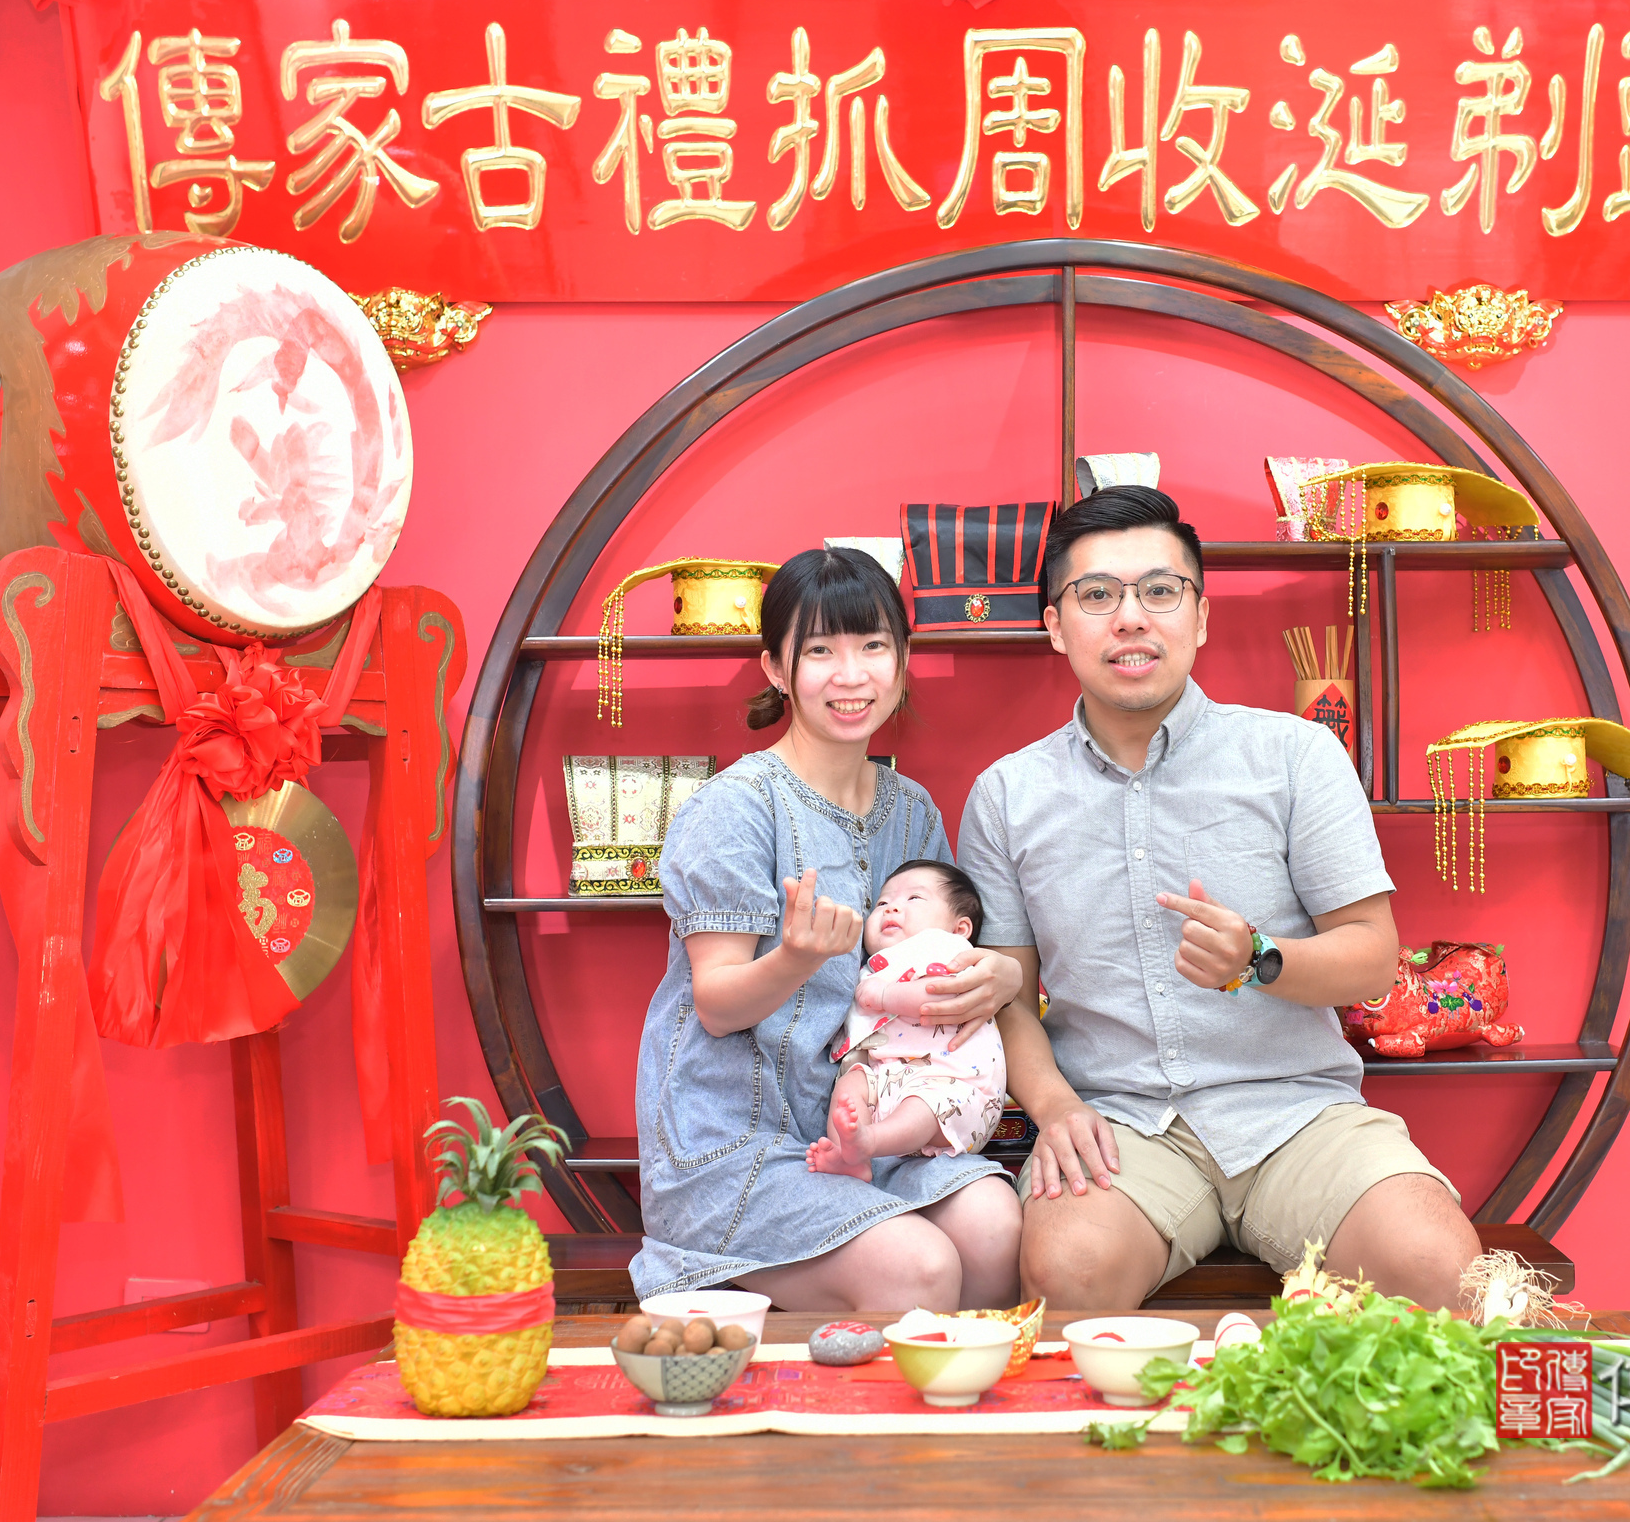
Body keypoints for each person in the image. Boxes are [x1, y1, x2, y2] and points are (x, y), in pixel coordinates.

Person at [956, 486, 1483, 1310]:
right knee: (1068, 1270)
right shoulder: (1006, 795)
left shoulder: (1297, 755)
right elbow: (1008, 997)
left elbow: (1372, 956)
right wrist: (1055, 1109)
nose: (1131, 618)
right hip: (1120, 1124)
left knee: (1440, 1265)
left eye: (1160, 591)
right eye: (1097, 596)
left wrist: (1258, 959)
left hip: (1298, 1112)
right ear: (1056, 626)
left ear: (1200, 616)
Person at [632, 547, 1024, 1310]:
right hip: (734, 1144)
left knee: (993, 1225)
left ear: (902, 660)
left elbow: (943, 970)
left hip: (873, 1122)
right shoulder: (735, 808)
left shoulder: (912, 810)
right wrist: (795, 958)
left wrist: (1001, 976)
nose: (851, 675)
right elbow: (716, 1004)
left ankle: (960, 1393)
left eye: (873, 645)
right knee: (920, 1268)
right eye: (819, 651)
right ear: (777, 670)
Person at [809, 859, 1009, 1180]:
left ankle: (868, 1142)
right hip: (887, 1080)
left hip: (954, 1086)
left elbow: (944, 996)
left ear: (959, 928)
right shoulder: (872, 970)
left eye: (914, 898)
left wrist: (885, 996)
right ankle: (851, 1156)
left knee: (923, 1101)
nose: (891, 908)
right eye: (882, 903)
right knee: (849, 1086)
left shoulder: (949, 951)